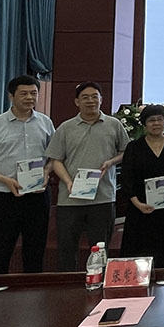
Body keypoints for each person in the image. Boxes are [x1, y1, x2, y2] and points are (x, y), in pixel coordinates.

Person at [45, 81, 129, 271]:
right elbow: (56, 160)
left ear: (101, 99)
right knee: (67, 248)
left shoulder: (114, 125)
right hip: (70, 198)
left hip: (103, 197)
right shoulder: (66, 127)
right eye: (85, 97)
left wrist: (111, 162)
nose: (90, 101)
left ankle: (98, 283)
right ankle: (68, 284)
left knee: (100, 248)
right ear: (77, 102)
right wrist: (68, 182)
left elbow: (126, 152)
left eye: (94, 97)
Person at [0, 75, 54, 274]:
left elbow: (54, 157)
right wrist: (4, 180)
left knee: (35, 251)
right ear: (11, 96)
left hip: (37, 197)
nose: (30, 98)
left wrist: (46, 173)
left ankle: (33, 291)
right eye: (24, 93)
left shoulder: (45, 123)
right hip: (4, 198)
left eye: (34, 93)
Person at [119, 104, 164, 267]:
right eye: (151, 120)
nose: (156, 123)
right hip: (141, 208)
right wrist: (137, 203)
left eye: (160, 119)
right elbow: (126, 177)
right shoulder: (134, 147)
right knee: (139, 251)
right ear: (144, 124)